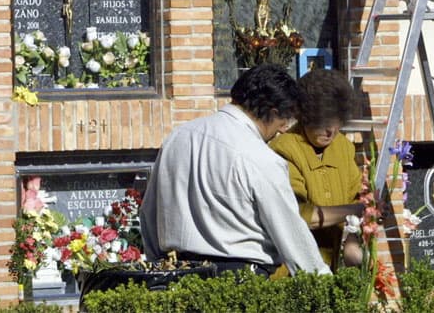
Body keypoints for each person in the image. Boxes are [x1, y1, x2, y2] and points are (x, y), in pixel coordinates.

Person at [140, 63, 330, 276]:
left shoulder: (178, 137)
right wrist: (325, 289)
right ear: (272, 112)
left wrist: (158, 268)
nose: (284, 129)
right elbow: (292, 236)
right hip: (239, 279)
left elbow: (148, 215)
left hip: (178, 276)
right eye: (285, 121)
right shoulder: (260, 157)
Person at [270, 68, 366, 270]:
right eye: (322, 123)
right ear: (304, 115)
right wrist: (355, 211)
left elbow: (356, 196)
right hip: (295, 272)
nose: (330, 130)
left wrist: (352, 239)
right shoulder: (284, 149)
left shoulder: (344, 147)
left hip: (334, 270)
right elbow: (298, 215)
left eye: (336, 122)